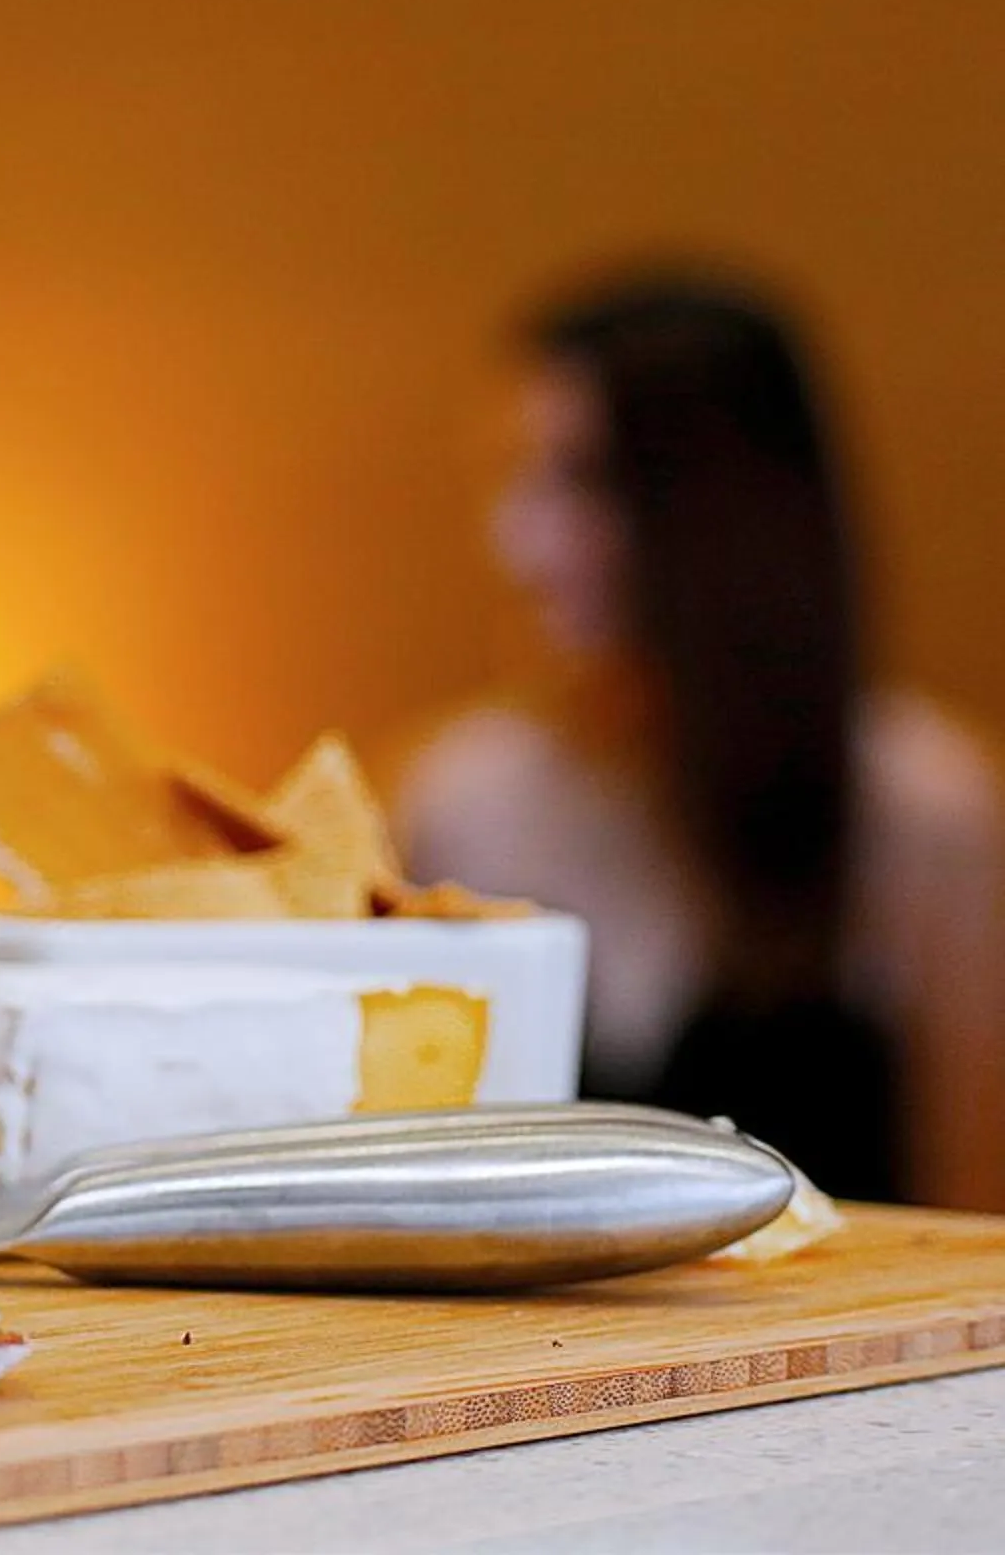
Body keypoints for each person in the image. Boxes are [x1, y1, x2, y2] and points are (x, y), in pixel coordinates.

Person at [394, 273, 1003, 1206]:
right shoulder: (460, 801)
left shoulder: (923, 810)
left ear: (730, 506)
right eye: (512, 478)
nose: (516, 541)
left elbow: (978, 1222)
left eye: (585, 481)